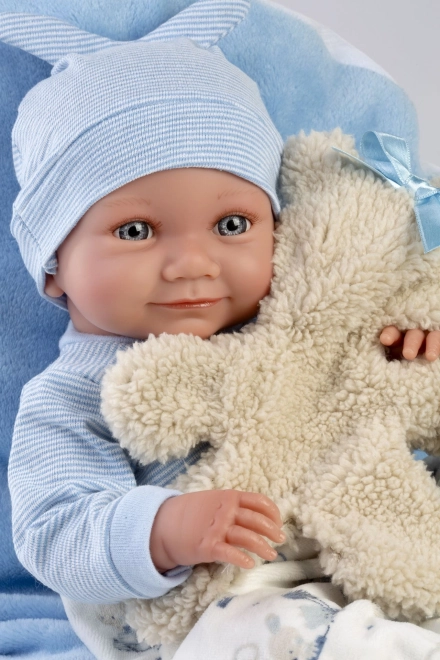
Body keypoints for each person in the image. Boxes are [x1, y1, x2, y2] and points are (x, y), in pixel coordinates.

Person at [5, 6, 440, 660]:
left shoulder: (297, 323)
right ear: (52, 265)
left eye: (232, 225)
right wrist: (162, 530)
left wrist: (410, 351)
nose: (193, 263)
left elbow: (377, 406)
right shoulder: (70, 396)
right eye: (135, 231)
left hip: (363, 554)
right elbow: (52, 527)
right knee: (278, 631)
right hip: (212, 603)